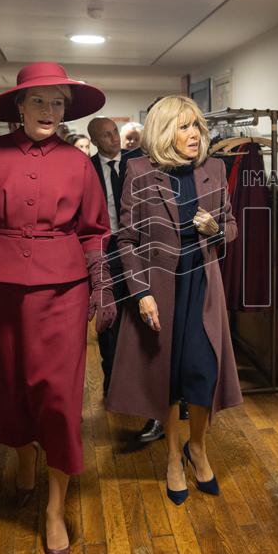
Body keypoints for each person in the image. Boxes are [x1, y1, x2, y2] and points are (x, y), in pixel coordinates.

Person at [0, 62, 115, 554]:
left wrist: (102, 291)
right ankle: (24, 457)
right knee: (9, 386)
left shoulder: (78, 163)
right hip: (0, 291)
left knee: (59, 397)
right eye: (39, 101)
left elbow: (94, 232)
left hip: (63, 291)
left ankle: (56, 507)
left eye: (58, 103)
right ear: (18, 106)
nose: (49, 111)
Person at [106, 95, 243, 505]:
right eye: (184, 126)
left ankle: (196, 447)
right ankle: (171, 457)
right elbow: (126, 239)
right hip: (160, 287)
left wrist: (217, 229)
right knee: (166, 374)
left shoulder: (214, 168)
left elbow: (232, 226)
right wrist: (141, 293)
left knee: (203, 369)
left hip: (202, 284)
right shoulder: (138, 170)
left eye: (197, 125)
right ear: (165, 131)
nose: (194, 134)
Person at [86, 116, 163, 443]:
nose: (113, 138)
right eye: (105, 135)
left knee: (143, 317)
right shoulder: (87, 169)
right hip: (105, 253)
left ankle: (147, 387)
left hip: (140, 252)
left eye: (114, 132)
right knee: (109, 320)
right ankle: (112, 381)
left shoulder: (139, 162)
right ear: (94, 140)